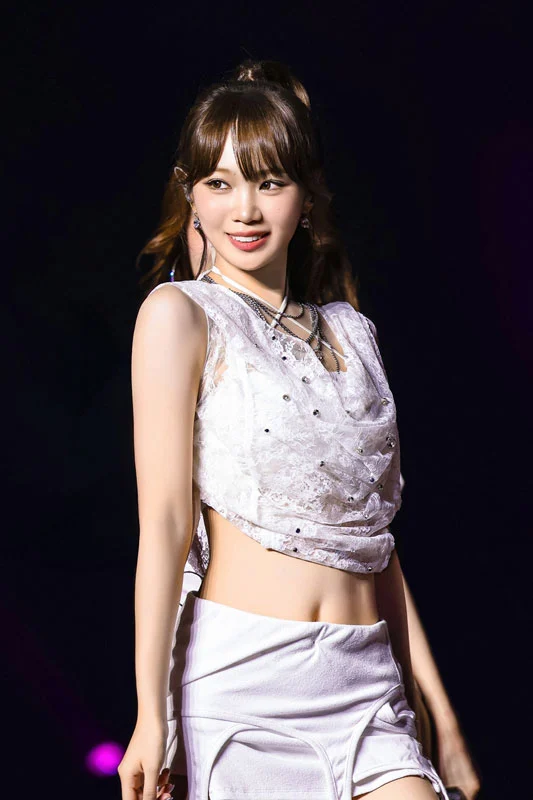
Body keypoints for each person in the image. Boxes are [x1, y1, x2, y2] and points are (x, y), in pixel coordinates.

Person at [118, 60, 479, 800]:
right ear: (191, 196)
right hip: (247, 690)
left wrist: (441, 718)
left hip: (369, 685)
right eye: (219, 183)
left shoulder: (354, 334)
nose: (245, 209)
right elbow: (165, 526)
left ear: (307, 198)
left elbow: (373, 542)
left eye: (270, 182)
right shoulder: (179, 316)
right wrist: (150, 716)